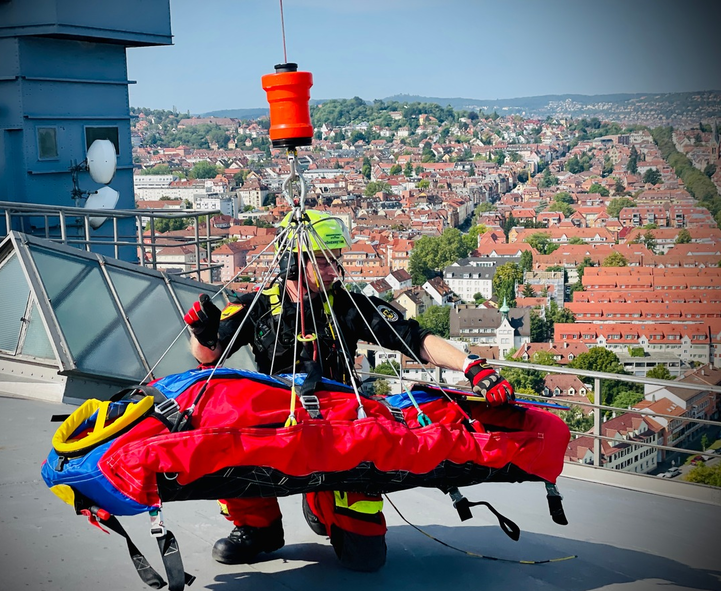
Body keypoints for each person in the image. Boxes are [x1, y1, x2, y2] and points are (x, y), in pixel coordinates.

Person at [185, 209, 515, 572]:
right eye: (325, 263)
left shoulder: (346, 305)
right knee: (220, 438)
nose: (334, 271)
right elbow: (209, 356)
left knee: (366, 560)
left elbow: (415, 339)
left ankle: (321, 506)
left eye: (336, 262)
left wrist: (472, 367)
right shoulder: (257, 308)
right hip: (280, 424)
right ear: (295, 263)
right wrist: (202, 334)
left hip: (338, 426)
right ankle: (258, 527)